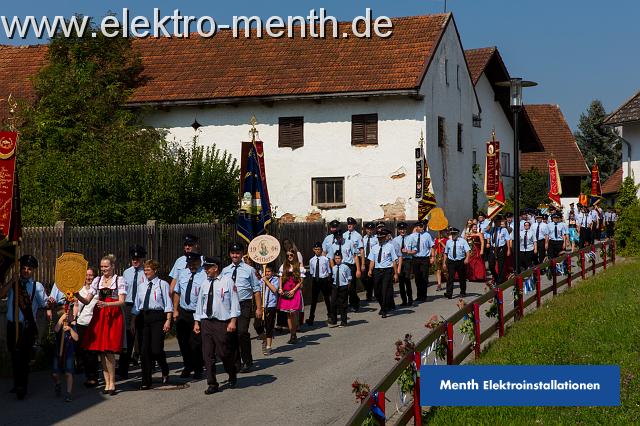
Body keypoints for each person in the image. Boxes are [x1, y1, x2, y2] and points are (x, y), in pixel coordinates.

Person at [75, 254, 126, 395]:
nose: (103, 269)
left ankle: (112, 383)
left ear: (113, 266)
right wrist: (77, 295)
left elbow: (122, 301)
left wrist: (108, 304)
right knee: (101, 351)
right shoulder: (98, 280)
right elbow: (86, 300)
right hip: (99, 316)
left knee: (109, 351)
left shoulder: (119, 280)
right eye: (102, 266)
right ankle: (107, 383)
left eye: (106, 266)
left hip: (113, 316)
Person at [0, 255, 48, 400]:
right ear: (20, 269)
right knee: (14, 356)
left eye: (29, 269)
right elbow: (1, 294)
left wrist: (51, 304)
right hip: (11, 325)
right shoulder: (14, 284)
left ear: (33, 271)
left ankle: (22, 386)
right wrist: (11, 281)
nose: (26, 271)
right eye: (24, 268)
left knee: (23, 357)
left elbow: (44, 304)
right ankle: (17, 383)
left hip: (26, 326)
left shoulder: (36, 286)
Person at [194, 256, 239, 395]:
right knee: (207, 354)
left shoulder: (227, 282)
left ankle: (232, 372)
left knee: (223, 353)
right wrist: (197, 321)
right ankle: (212, 383)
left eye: (208, 267)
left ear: (216, 267)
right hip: (207, 322)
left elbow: (234, 302)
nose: (206, 270)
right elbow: (199, 304)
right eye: (205, 267)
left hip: (222, 322)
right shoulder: (204, 283)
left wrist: (233, 321)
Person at [130, 260, 172, 390]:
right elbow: (137, 305)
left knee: (156, 349)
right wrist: (133, 321)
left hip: (158, 317)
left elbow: (168, 304)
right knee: (144, 351)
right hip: (143, 318)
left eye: (148, 269)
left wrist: (168, 320)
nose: (146, 272)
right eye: (145, 270)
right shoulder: (142, 286)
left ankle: (164, 368)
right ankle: (146, 380)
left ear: (155, 270)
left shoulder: (162, 284)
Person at [221, 242, 262, 373]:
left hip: (244, 303)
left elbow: (256, 290)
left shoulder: (250, 270)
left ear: (241, 254)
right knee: (231, 334)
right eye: (233, 253)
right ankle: (236, 362)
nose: (235, 255)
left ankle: (247, 361)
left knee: (242, 332)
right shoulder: (225, 270)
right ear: (229, 254)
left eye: (237, 253)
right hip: (229, 305)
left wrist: (259, 308)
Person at [172, 252, 207, 379]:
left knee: (196, 342)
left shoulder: (204, 275)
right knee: (182, 340)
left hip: (197, 313)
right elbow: (177, 292)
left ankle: (198, 368)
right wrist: (175, 310)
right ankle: (187, 365)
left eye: (194, 263)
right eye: (189, 264)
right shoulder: (183, 273)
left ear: (199, 262)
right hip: (183, 311)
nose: (191, 266)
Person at [118, 245, 146, 380]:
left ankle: (147, 367)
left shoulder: (146, 272)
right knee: (128, 338)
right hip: (128, 306)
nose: (135, 261)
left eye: (138, 258)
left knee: (142, 337)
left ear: (142, 259)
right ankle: (123, 370)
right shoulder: (126, 272)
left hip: (142, 306)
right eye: (133, 258)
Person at [76, 267, 100, 388]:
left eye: (91, 275)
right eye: (86, 275)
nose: (88, 277)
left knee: (92, 352)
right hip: (81, 322)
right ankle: (88, 374)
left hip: (93, 323)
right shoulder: (79, 289)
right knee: (83, 351)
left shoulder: (97, 290)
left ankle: (93, 377)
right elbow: (75, 304)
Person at [368, 228, 399, 318]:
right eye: (378, 238)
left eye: (381, 238)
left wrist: (396, 273)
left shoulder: (390, 246)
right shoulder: (374, 247)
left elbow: (394, 260)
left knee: (385, 290)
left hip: (387, 270)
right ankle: (383, 306)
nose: (380, 239)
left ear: (385, 237)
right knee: (377, 292)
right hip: (377, 271)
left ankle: (384, 310)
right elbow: (372, 260)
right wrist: (370, 270)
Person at [277, 249, 305, 344]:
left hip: (294, 290)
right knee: (288, 314)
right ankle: (292, 334)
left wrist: (294, 290)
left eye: (291, 255)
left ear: (294, 256)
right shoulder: (284, 266)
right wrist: (280, 288)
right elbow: (280, 278)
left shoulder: (299, 266)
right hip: (285, 291)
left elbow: (301, 280)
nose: (289, 257)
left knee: (293, 313)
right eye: (288, 255)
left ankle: (294, 331)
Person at [52, 307, 79, 402]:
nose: (72, 316)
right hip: (58, 351)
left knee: (68, 373)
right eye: (69, 314)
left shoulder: (72, 325)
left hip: (69, 352)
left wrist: (70, 329)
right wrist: (61, 319)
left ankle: (69, 393)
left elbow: (76, 338)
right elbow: (56, 330)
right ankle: (58, 383)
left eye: (71, 314)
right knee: (55, 373)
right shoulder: (60, 324)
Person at [327, 230, 360, 310]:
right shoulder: (333, 246)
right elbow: (331, 259)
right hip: (338, 268)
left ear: (342, 236)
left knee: (351, 288)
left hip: (349, 266)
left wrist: (358, 269)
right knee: (339, 287)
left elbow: (355, 256)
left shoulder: (349, 243)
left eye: (340, 237)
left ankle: (355, 302)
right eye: (337, 238)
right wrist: (333, 270)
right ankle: (340, 306)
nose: (339, 239)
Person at [254, 265, 279, 355]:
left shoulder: (275, 279)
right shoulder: (261, 280)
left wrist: (266, 281)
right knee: (257, 325)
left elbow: (274, 290)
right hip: (261, 305)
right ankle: (264, 338)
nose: (267, 273)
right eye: (266, 271)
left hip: (271, 305)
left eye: (269, 271)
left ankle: (268, 346)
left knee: (269, 326)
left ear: (272, 272)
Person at [306, 242, 331, 326]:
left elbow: (329, 271)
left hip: (324, 280)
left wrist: (328, 280)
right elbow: (312, 272)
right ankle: (311, 318)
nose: (317, 251)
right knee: (314, 300)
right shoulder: (311, 260)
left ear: (321, 250)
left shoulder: (325, 259)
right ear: (313, 250)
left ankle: (330, 316)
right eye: (316, 249)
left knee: (327, 298)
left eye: (319, 249)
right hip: (315, 280)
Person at [392, 222, 416, 306]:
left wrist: (408, 251)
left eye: (404, 229)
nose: (402, 231)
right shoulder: (395, 240)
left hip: (407, 260)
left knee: (407, 279)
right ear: (398, 230)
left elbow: (415, 251)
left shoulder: (410, 238)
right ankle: (404, 300)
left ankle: (410, 299)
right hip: (399, 261)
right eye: (401, 229)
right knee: (401, 281)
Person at [443, 228, 471, 299]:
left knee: (462, 277)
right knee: (450, 278)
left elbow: (467, 251)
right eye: (452, 234)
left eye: (454, 234)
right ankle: (449, 293)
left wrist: (467, 258)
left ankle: (463, 292)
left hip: (460, 261)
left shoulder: (463, 241)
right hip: (451, 261)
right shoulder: (448, 242)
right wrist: (444, 263)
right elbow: (446, 253)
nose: (453, 235)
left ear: (457, 234)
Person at [411, 220, 434, 302]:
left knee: (424, 277)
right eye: (420, 226)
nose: (422, 228)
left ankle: (424, 295)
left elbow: (432, 246)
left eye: (423, 226)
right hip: (416, 258)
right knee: (417, 278)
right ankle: (419, 295)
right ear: (416, 227)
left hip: (424, 258)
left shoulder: (427, 235)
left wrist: (432, 257)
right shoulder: (412, 236)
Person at [343, 217, 363, 311]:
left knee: (352, 286)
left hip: (354, 261)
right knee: (344, 285)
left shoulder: (358, 236)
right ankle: (346, 304)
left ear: (354, 225)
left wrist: (361, 265)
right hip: (344, 263)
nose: (349, 225)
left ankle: (355, 303)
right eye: (348, 224)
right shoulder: (343, 235)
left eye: (351, 224)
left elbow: (361, 250)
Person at [488, 215, 511, 284]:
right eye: (495, 222)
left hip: (501, 248)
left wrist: (508, 250)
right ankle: (496, 276)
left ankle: (499, 281)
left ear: (500, 222)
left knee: (501, 265)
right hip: (493, 248)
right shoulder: (491, 229)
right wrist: (491, 221)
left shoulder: (504, 230)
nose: (496, 223)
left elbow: (507, 240)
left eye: (497, 221)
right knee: (491, 265)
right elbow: (486, 229)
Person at [330, 251, 351, 327]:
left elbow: (349, 278)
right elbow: (333, 277)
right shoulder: (334, 268)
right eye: (336, 258)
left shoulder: (346, 267)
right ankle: (334, 320)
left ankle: (344, 321)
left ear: (341, 259)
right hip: (335, 286)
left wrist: (347, 287)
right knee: (333, 303)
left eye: (339, 258)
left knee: (343, 305)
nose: (337, 260)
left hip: (343, 287)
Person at [360, 222, 378, 301]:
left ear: (373, 230)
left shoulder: (376, 239)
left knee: (371, 277)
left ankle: (370, 295)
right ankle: (368, 289)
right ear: (365, 230)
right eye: (368, 229)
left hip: (373, 259)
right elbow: (361, 250)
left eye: (371, 229)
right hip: (365, 259)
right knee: (363, 277)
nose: (369, 231)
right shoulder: (363, 239)